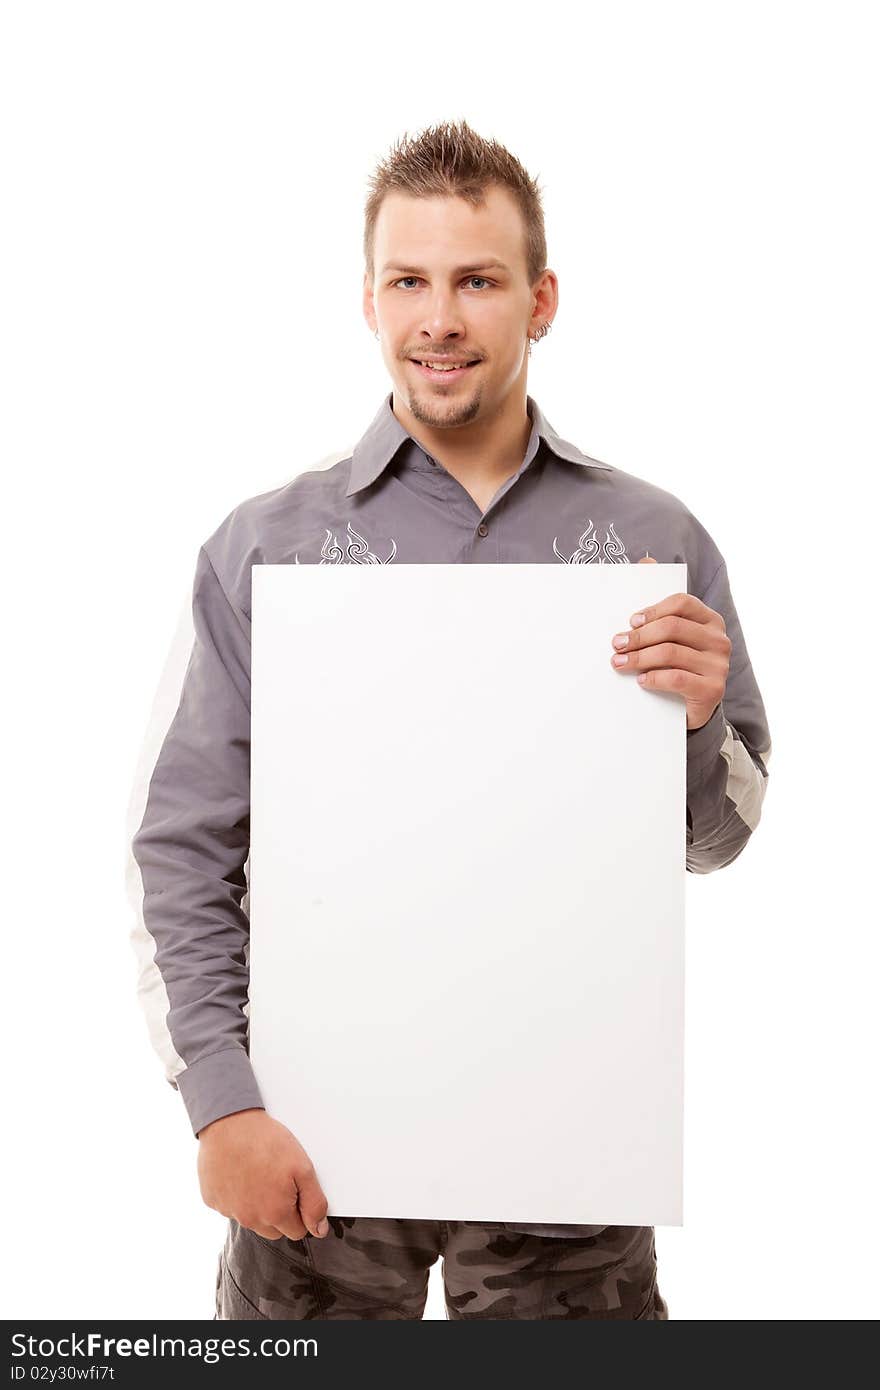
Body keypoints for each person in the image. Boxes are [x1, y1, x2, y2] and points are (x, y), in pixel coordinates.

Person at [127, 118, 771, 1321]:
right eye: (408, 281)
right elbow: (180, 846)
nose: (440, 318)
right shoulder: (266, 546)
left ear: (542, 299)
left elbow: (719, 837)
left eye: (477, 280)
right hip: (313, 1146)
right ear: (366, 301)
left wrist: (688, 727)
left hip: (572, 1155)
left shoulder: (655, 541)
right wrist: (218, 1098)